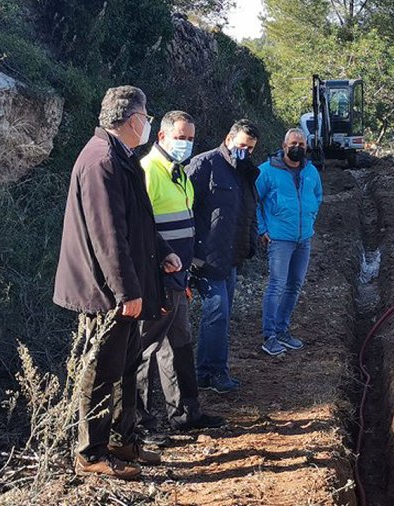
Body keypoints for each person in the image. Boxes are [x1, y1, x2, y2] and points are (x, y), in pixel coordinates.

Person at [53, 86, 176, 479]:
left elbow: (136, 221)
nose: (148, 125)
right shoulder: (102, 161)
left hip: (121, 286)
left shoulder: (120, 157)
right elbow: (108, 236)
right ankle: (90, 455)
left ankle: (123, 440)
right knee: (101, 369)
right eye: (147, 117)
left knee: (125, 365)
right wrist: (126, 292)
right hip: (104, 292)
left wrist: (162, 250)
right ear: (134, 120)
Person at [136, 111, 225, 436]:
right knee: (144, 350)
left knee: (179, 345)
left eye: (190, 139)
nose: (185, 144)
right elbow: (139, 229)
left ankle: (186, 414)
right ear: (162, 137)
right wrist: (158, 264)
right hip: (157, 279)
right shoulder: (149, 171)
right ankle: (140, 425)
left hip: (178, 278)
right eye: (180, 137)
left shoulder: (179, 172)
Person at [186, 119, 261, 394]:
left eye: (250, 148)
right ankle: (216, 372)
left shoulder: (245, 172)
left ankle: (205, 372)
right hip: (207, 256)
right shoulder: (204, 165)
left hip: (231, 256)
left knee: (219, 316)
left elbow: (250, 210)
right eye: (242, 145)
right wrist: (191, 254)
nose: (245, 152)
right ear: (228, 139)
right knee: (217, 314)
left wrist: (250, 245)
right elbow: (185, 209)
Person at [256, 128, 323, 356]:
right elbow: (254, 200)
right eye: (293, 143)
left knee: (294, 286)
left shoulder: (311, 171)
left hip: (303, 239)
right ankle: (270, 336)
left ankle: (283, 330)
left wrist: (311, 216)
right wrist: (262, 229)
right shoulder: (266, 171)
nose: (298, 147)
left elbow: (317, 195)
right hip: (279, 239)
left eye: (302, 144)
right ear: (284, 146)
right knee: (276, 285)